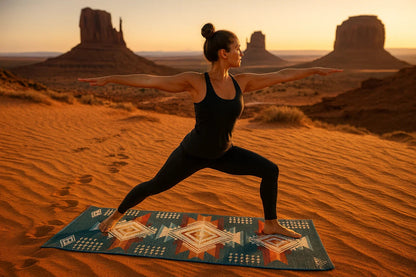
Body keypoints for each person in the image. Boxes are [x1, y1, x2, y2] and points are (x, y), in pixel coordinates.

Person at [79, 23, 342, 238]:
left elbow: (282, 75)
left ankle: (271, 223)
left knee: (270, 170)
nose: (242, 52)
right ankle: (116, 216)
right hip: (192, 153)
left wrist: (315, 70)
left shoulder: (243, 82)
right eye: (238, 48)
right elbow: (151, 81)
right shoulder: (196, 82)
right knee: (155, 185)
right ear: (223, 54)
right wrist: (110, 78)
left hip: (224, 153)